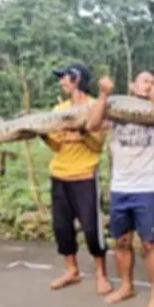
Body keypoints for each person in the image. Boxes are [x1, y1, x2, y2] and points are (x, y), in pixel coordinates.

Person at [85, 71, 154, 307]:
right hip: (120, 187)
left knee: (150, 243)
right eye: (145, 81)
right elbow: (91, 125)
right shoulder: (117, 109)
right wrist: (104, 95)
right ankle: (127, 286)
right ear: (132, 86)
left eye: (153, 82)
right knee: (122, 241)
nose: (149, 85)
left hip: (147, 188)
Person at [41, 63, 110, 294]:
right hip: (59, 175)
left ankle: (101, 274)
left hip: (85, 176)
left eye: (64, 77)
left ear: (77, 79)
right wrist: (42, 135)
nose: (61, 82)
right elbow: (56, 145)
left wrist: (80, 130)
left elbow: (97, 144)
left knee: (91, 228)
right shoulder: (59, 109)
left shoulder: (96, 107)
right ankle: (72, 270)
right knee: (62, 227)